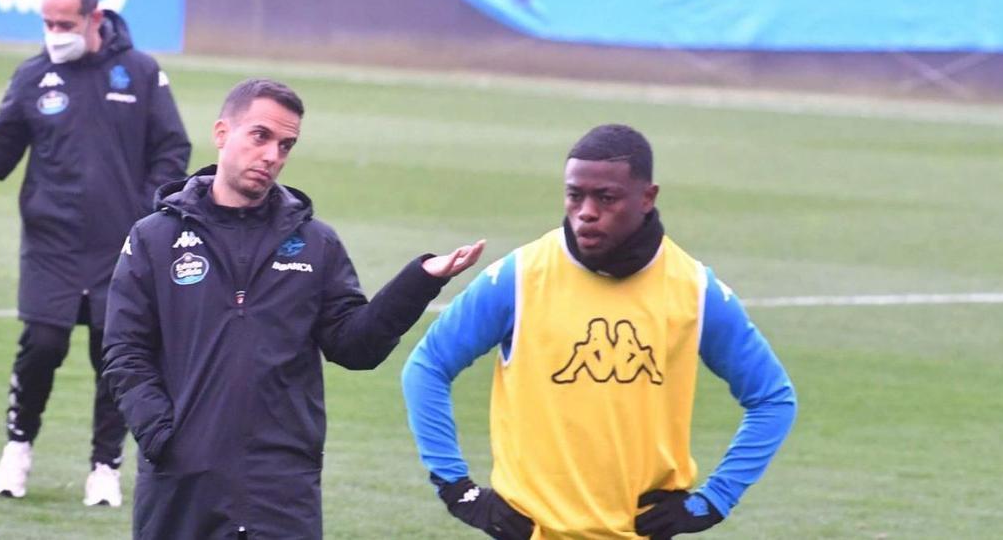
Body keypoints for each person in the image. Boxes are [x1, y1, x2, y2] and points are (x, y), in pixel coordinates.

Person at [102, 78, 485, 539]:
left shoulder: (314, 243)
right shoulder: (154, 238)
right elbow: (126, 350)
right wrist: (164, 437)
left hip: (281, 486)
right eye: (260, 136)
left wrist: (421, 279)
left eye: (286, 145)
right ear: (222, 133)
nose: (272, 156)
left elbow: (355, 347)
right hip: (181, 481)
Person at [402, 124, 797, 539]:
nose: (586, 211)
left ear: (647, 198)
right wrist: (457, 488)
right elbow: (426, 366)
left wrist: (714, 499)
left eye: (605, 198)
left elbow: (772, 398)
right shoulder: (519, 277)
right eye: (575, 195)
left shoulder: (695, 290)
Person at [0, 0, 191, 507]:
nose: (54, 33)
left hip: (121, 243)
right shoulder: (34, 75)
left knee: (114, 351)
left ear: (94, 19)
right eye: (47, 23)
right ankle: (17, 449)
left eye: (64, 23)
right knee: (42, 343)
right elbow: (2, 137)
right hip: (51, 242)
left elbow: (172, 148)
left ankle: (105, 466)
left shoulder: (141, 73)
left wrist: (148, 213)